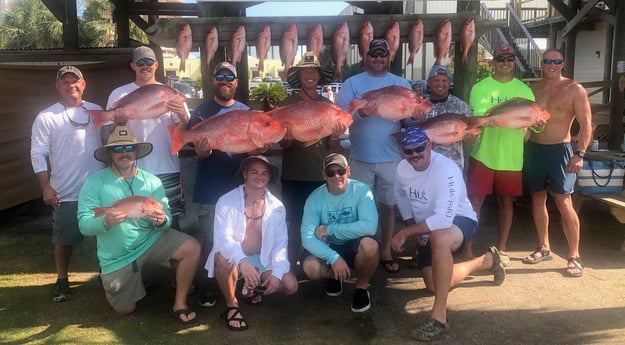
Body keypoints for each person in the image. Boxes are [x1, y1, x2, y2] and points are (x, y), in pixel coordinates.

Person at [391, 127, 506, 342]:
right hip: (426, 225)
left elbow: (443, 220)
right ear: (403, 152)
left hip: (459, 220)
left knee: (439, 237)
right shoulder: (402, 169)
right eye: (408, 151)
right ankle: (486, 261)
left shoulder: (446, 169)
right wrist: (411, 225)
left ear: (429, 145)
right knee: (434, 285)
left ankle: (439, 317)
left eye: (419, 148)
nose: (414, 155)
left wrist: (407, 232)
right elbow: (401, 196)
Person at [77, 126, 200, 323]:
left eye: (129, 148)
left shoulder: (151, 181)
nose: (124, 153)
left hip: (150, 240)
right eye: (118, 149)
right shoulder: (94, 182)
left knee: (191, 247)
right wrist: (105, 221)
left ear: (136, 151)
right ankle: (114, 286)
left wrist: (162, 221)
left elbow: (166, 215)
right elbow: (84, 224)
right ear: (110, 153)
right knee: (126, 309)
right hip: (119, 255)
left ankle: (180, 304)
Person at [336, 38, 412, 273]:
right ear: (365, 57)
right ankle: (363, 251)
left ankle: (386, 251)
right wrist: (363, 115)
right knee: (360, 209)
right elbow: (341, 117)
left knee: (388, 207)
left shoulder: (401, 83)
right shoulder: (352, 83)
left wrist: (416, 114)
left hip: (392, 158)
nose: (378, 58)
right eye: (373, 54)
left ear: (389, 57)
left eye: (382, 54)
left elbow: (409, 119)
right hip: (359, 157)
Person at [30, 66, 104, 302]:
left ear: (83, 84)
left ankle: (108, 273)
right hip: (65, 191)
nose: (71, 85)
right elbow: (37, 153)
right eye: (65, 82)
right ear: (58, 86)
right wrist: (45, 187)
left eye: (75, 81)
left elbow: (109, 143)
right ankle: (62, 279)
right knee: (64, 240)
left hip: (98, 190)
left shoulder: (97, 111)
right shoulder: (46, 117)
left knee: (105, 235)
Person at [205, 156, 298, 331]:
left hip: (262, 260)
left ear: (269, 177)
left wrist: (277, 274)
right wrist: (242, 261)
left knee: (290, 286)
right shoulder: (226, 200)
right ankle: (232, 305)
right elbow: (222, 239)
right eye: (254, 172)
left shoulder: (277, 207)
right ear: (245, 174)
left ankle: (252, 288)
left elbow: (280, 243)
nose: (260, 176)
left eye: (264, 173)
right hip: (236, 258)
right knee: (222, 258)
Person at [522, 49, 592, 277]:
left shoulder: (574, 89)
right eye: (547, 61)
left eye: (556, 61)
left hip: (561, 150)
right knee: (537, 197)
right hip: (534, 148)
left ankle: (574, 255)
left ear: (563, 63)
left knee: (563, 201)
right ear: (541, 64)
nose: (551, 64)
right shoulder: (533, 89)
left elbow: (586, 124)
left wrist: (579, 153)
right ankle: (544, 247)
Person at [188, 61, 250, 308]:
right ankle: (208, 285)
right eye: (220, 76)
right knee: (209, 239)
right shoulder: (201, 112)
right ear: (213, 80)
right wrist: (202, 150)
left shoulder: (246, 111)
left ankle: (238, 281)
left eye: (230, 77)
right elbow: (200, 151)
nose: (225, 80)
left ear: (236, 82)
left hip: (239, 189)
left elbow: (251, 147)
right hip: (210, 188)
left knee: (239, 238)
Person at [106, 46, 189, 230]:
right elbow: (108, 134)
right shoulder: (119, 94)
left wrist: (183, 117)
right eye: (140, 62)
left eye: (149, 62)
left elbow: (182, 131)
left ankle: (174, 256)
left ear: (156, 65)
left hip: (167, 167)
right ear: (133, 66)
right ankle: (143, 258)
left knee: (170, 219)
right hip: (133, 170)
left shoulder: (169, 93)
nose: (145, 66)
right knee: (136, 224)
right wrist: (117, 122)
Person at [467, 44, 537, 258]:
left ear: (514, 61)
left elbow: (533, 125)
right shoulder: (480, 87)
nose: (505, 62)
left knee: (506, 202)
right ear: (493, 62)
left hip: (511, 157)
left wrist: (534, 124)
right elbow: (481, 117)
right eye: (501, 58)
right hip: (483, 154)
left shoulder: (524, 90)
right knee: (475, 201)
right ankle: (468, 248)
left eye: (510, 58)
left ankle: (502, 249)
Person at [280, 51, 346, 270]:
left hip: (321, 176)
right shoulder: (286, 104)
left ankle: (319, 264)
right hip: (294, 174)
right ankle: (288, 266)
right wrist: (287, 139)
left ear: (319, 76)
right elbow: (282, 144)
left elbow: (333, 147)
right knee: (294, 222)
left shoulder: (329, 105)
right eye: (305, 71)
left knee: (321, 224)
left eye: (314, 71)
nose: (310, 75)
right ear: (299, 76)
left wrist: (335, 135)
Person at [300, 153, 380, 313]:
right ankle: (336, 276)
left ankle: (361, 287)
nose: (336, 176)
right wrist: (334, 258)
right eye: (330, 173)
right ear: (324, 175)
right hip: (328, 246)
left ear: (348, 171)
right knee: (310, 267)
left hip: (353, 245)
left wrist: (330, 229)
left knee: (370, 246)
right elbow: (307, 238)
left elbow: (370, 227)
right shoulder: (314, 198)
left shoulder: (362, 190)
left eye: (341, 171)